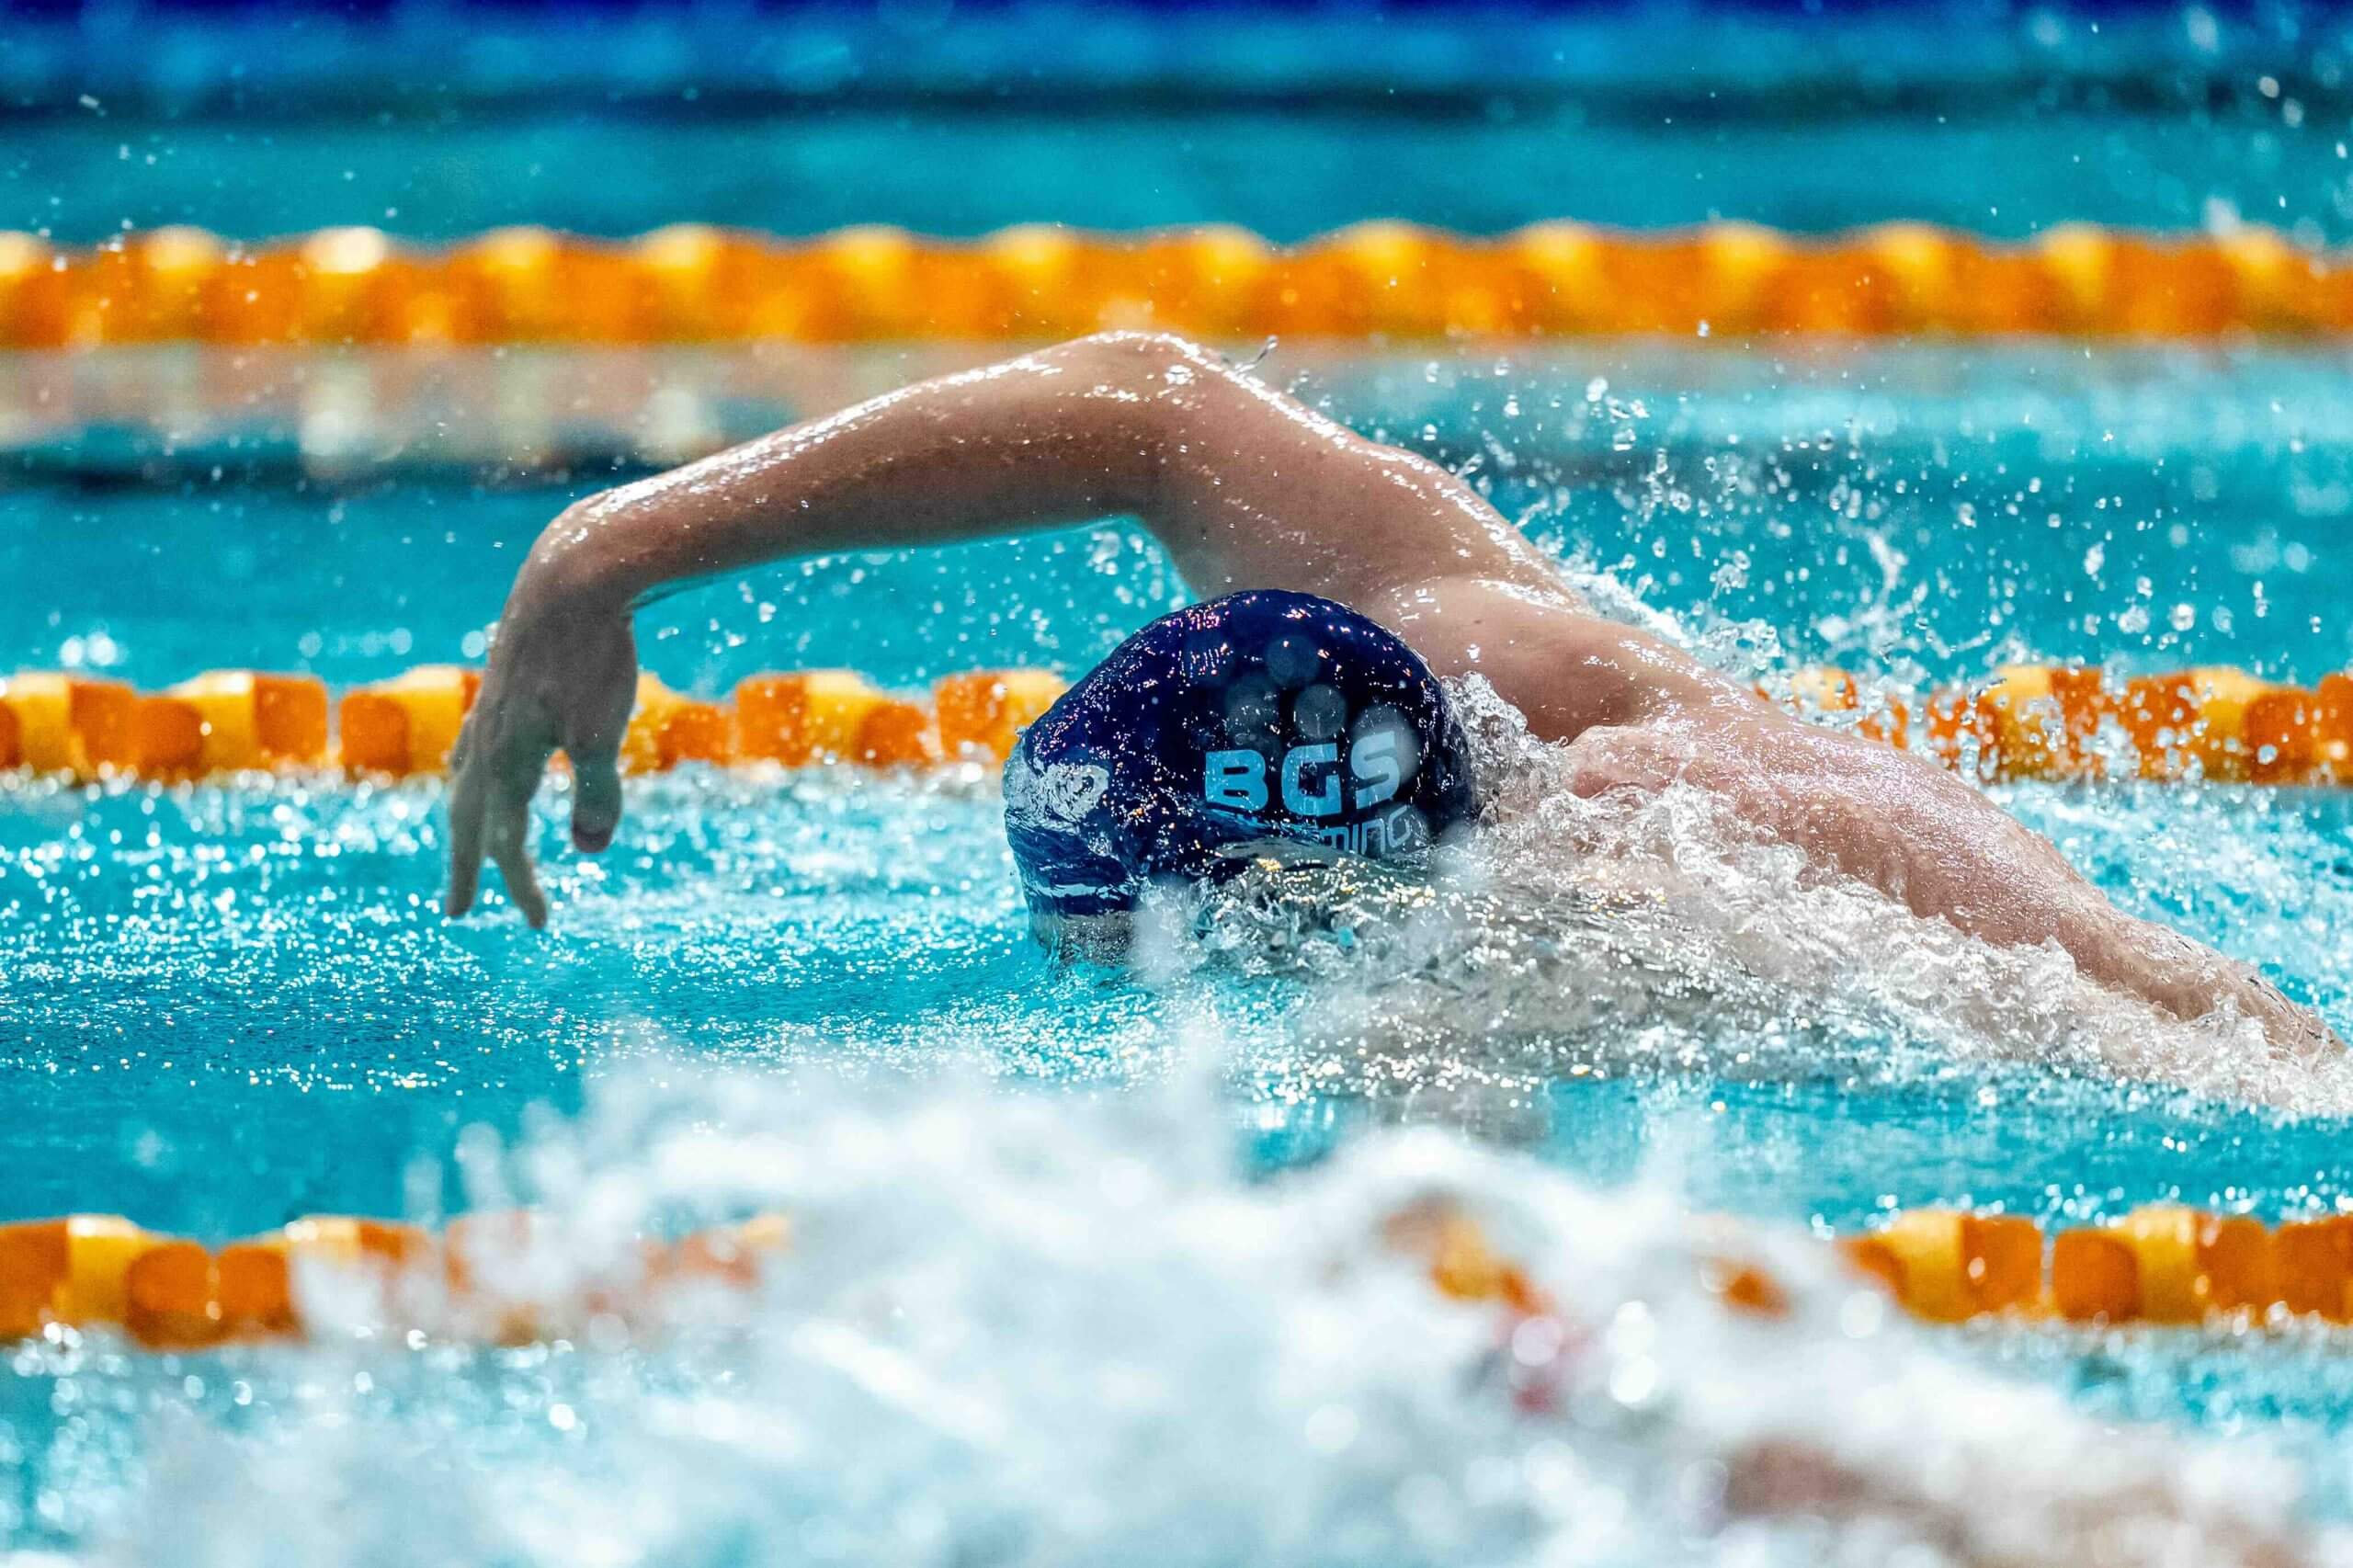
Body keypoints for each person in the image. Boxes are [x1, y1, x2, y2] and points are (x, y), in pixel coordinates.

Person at [445, 330, 2332, 1058]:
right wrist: (598, 553)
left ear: (1294, 880)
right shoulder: (1418, 617)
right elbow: (1147, 405)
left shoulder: (1618, 871)